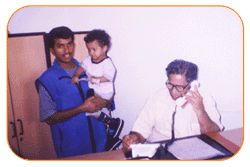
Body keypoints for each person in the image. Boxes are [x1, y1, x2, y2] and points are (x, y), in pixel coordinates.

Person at [35, 26, 120, 158]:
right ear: (52, 50)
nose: (67, 50)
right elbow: (50, 118)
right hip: (72, 149)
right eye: (60, 46)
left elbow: (108, 99)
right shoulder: (47, 80)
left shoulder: (90, 68)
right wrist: (82, 108)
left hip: (100, 144)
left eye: (69, 44)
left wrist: (106, 101)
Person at [122, 59, 224, 152]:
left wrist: (200, 110)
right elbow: (141, 129)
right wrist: (134, 138)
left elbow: (213, 135)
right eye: (170, 85)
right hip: (161, 152)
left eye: (179, 87)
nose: (173, 92)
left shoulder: (204, 98)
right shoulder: (157, 98)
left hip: (193, 153)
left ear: (192, 84)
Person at [71, 29, 124, 138]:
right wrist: (76, 75)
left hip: (105, 93)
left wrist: (96, 79)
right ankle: (110, 124)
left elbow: (109, 77)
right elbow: (81, 67)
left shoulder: (107, 63)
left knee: (91, 110)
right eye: (89, 49)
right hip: (95, 91)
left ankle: (111, 122)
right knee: (91, 109)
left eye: (94, 49)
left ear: (104, 49)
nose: (91, 53)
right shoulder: (89, 59)